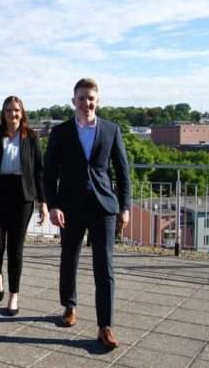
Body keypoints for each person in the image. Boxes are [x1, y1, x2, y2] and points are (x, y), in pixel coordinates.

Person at [44, 78, 131, 350]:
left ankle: (105, 326)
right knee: (69, 258)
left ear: (98, 101)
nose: (86, 103)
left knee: (104, 266)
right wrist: (53, 205)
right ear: (74, 101)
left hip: (103, 207)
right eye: (81, 98)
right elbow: (49, 173)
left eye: (91, 98)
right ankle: (69, 306)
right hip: (70, 207)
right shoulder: (60, 132)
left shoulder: (112, 130)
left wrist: (125, 207)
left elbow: (123, 172)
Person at [0, 96, 48, 316]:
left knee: (16, 249)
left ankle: (14, 295)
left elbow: (39, 171)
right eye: (8, 110)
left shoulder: (31, 136)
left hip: (22, 196)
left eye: (16, 110)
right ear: (3, 113)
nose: (12, 114)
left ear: (22, 112)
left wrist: (43, 202)